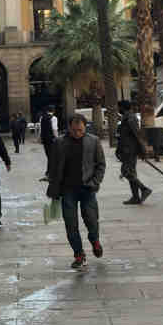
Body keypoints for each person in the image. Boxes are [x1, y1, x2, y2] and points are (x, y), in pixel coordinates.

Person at [47, 114, 107, 269]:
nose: (77, 133)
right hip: (68, 191)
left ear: (85, 128)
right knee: (71, 225)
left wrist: (95, 182)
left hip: (88, 189)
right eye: (74, 130)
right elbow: (53, 166)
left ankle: (95, 241)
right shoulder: (59, 142)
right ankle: (79, 254)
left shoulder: (93, 141)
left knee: (92, 220)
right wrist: (52, 184)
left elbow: (101, 164)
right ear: (69, 127)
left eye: (80, 130)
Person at [116, 99, 152, 205]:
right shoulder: (126, 117)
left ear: (123, 107)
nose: (118, 109)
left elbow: (137, 134)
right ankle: (136, 197)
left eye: (119, 108)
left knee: (126, 171)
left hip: (130, 150)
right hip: (126, 150)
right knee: (131, 172)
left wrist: (142, 150)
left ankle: (144, 189)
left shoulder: (131, 118)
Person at [39, 106, 57, 178]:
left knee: (49, 155)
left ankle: (49, 171)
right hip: (52, 139)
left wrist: (40, 138)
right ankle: (50, 172)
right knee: (52, 156)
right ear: (53, 111)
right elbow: (54, 129)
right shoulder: (54, 118)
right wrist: (57, 138)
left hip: (45, 139)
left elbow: (40, 129)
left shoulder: (41, 118)